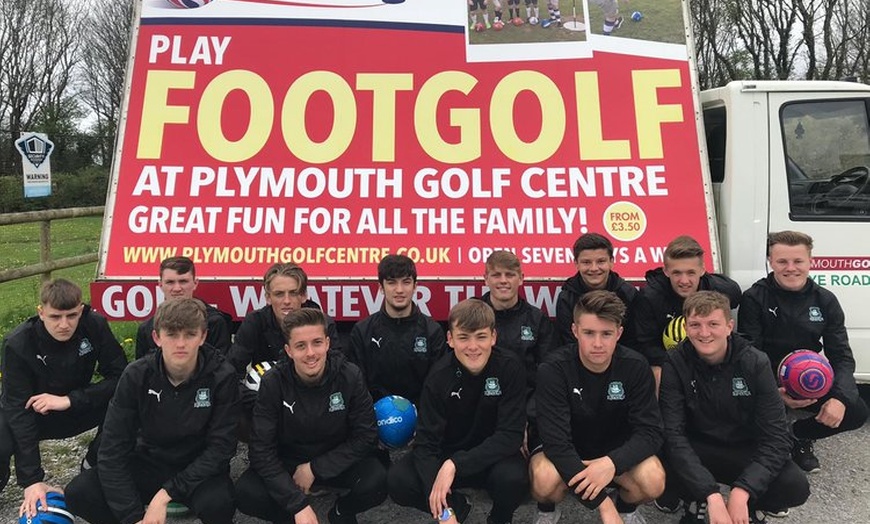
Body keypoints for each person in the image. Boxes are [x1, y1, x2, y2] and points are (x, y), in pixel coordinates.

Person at [65, 298, 240, 524]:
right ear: (157, 337)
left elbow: (222, 448)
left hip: (195, 466)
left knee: (220, 502)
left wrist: (166, 494)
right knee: (80, 491)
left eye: (189, 334)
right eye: (172, 335)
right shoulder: (136, 375)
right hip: (148, 460)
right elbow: (112, 449)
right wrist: (132, 516)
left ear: (203, 336)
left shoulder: (222, 376)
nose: (181, 343)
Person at [660, 291, 810, 524]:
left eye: (713, 324)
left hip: (743, 447)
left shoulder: (755, 362)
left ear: (729, 326)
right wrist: (711, 494)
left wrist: (743, 491)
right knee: (656, 467)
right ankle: (696, 503)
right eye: (695, 325)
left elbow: (777, 437)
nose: (704, 332)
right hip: (698, 447)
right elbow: (673, 434)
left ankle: (751, 508)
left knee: (794, 486)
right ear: (687, 328)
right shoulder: (675, 361)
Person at [235, 308, 387, 524]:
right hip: (288, 462)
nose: (310, 353)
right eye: (300, 346)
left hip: (335, 459)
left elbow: (366, 437)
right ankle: (291, 517)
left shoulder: (350, 376)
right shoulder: (272, 383)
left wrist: (316, 468)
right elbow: (261, 451)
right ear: (288, 350)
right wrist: (298, 505)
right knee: (247, 492)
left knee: (377, 480)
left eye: (316, 343)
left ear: (327, 343)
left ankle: (341, 513)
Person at [738, 230, 869, 474]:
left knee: (856, 411)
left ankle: (798, 436)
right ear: (770, 262)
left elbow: (841, 355)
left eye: (798, 261)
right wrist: (772, 394)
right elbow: (749, 353)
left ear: (811, 262)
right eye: (782, 261)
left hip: (809, 377)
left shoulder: (825, 300)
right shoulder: (755, 298)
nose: (791, 268)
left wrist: (840, 398)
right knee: (738, 401)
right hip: (767, 375)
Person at [387, 299, 528, 524]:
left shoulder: (510, 368)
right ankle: (457, 508)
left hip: (490, 458)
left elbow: (510, 436)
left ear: (493, 337)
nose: (473, 347)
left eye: (481, 336)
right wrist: (446, 513)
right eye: (463, 337)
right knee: (399, 481)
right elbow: (425, 445)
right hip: (446, 456)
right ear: (450, 339)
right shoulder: (438, 377)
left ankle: (500, 518)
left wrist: (455, 464)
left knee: (514, 478)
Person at [531, 290, 664, 524]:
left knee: (653, 479)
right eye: (589, 333)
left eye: (606, 334)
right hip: (568, 450)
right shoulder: (553, 369)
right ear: (574, 331)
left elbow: (650, 432)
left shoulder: (636, 366)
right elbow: (556, 443)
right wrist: (602, 505)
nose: (598, 344)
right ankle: (547, 509)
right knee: (543, 479)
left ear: (619, 333)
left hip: (613, 452)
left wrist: (611, 463)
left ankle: (624, 507)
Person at [0, 279, 127, 514]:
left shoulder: (94, 324)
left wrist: (70, 399)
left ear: (80, 310)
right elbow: (17, 409)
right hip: (35, 412)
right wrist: (31, 480)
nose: (64, 324)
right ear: (41, 313)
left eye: (71, 315)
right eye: (55, 317)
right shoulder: (17, 343)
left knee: (126, 403)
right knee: (2, 429)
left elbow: (122, 376)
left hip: (74, 406)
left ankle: (94, 465)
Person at [626, 235, 741, 389]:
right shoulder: (649, 298)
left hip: (712, 358)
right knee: (657, 373)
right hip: (668, 360)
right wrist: (682, 362)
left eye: (691, 273)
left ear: (702, 270)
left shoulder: (725, 291)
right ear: (666, 271)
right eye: (677, 273)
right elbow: (646, 346)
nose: (684, 281)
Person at [479, 250, 555, 459]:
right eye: (496, 275)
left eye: (510, 274)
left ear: (521, 278)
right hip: (479, 410)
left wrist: (524, 418)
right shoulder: (472, 315)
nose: (503, 281)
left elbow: (548, 378)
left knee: (521, 479)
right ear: (486, 279)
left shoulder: (537, 319)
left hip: (527, 413)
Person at [349, 254, 446, 405]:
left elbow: (436, 389)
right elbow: (357, 389)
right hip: (374, 422)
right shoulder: (362, 332)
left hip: (421, 422)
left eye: (406, 282)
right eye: (392, 283)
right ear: (381, 287)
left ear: (415, 286)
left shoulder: (432, 332)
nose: (399, 290)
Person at [135, 256, 232, 359]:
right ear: (160, 285)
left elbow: (222, 369)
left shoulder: (214, 323)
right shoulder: (147, 329)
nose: (177, 288)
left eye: (183, 281)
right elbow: (141, 371)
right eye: (170, 282)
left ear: (195, 283)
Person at [556, 233, 637, 346]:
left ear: (611, 262)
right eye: (586, 262)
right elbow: (568, 342)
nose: (594, 268)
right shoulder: (566, 298)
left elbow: (633, 340)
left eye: (600, 261)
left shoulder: (628, 294)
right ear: (576, 264)